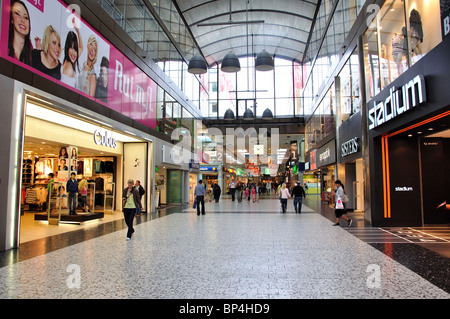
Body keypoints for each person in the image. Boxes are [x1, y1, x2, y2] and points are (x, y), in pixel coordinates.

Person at [8, 0, 33, 65]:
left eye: (25, 17)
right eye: (17, 14)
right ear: (12, 19)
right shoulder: (5, 48)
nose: (22, 20)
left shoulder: (31, 52)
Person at [61, 18, 83, 87]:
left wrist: (78, 31)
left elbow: (81, 48)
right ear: (67, 48)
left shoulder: (70, 61)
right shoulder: (69, 67)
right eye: (71, 48)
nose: (74, 53)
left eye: (75, 49)